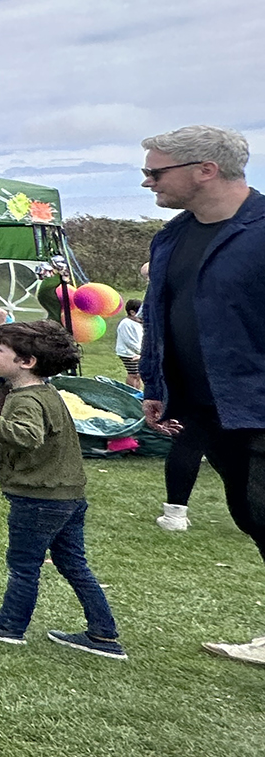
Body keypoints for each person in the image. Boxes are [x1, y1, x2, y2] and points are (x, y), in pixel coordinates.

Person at [136, 126, 265, 661]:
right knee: (251, 514)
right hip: (206, 405)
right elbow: (159, 316)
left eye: (155, 171)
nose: (147, 182)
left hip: (258, 403)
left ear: (205, 169)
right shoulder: (171, 236)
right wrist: (154, 383)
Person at [0, 320, 125, 659]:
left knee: (24, 564)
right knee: (74, 565)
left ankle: (10, 625)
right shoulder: (46, 393)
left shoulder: (26, 399)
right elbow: (38, 442)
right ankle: (103, 635)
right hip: (67, 495)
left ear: (26, 361)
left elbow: (27, 437)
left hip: (39, 499)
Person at [115, 300, 144, 392]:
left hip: (138, 352)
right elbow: (130, 342)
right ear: (132, 312)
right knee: (133, 374)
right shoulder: (126, 324)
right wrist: (141, 352)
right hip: (128, 353)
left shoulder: (138, 323)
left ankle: (137, 392)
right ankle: (131, 392)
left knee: (139, 374)